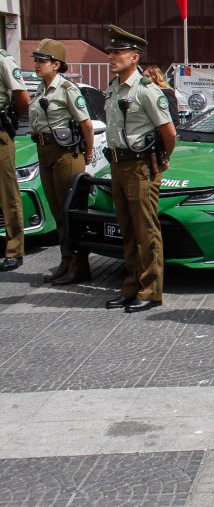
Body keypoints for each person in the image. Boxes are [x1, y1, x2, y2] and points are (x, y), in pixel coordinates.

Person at [102, 25, 176, 312]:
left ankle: (151, 290)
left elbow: (168, 132)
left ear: (134, 57)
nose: (112, 57)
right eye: (111, 52)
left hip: (141, 166)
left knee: (146, 230)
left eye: (118, 52)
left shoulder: (146, 90)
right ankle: (131, 285)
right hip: (118, 164)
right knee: (128, 229)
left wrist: (161, 159)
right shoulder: (113, 87)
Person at [30, 39, 94, 285]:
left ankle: (79, 265)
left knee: (70, 211)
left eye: (42, 60)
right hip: (45, 151)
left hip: (66, 153)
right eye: (35, 60)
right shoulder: (41, 89)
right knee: (58, 211)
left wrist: (87, 155)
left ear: (56, 64)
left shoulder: (67, 89)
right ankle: (66, 261)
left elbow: (86, 125)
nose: (37, 64)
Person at [0, 47, 28, 272]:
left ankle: (14, 250)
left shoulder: (3, 60)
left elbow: (22, 97)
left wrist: (10, 119)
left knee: (7, 192)